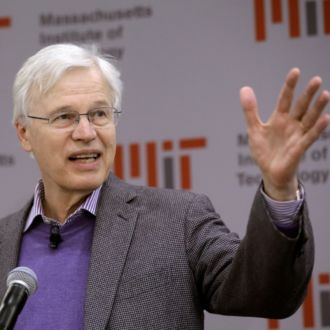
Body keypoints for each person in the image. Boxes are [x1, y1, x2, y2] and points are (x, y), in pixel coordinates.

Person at [0, 43, 329, 330]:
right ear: (25, 134)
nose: (86, 132)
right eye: (65, 117)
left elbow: (267, 293)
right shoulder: (4, 242)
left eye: (99, 113)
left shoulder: (178, 221)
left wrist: (280, 188)